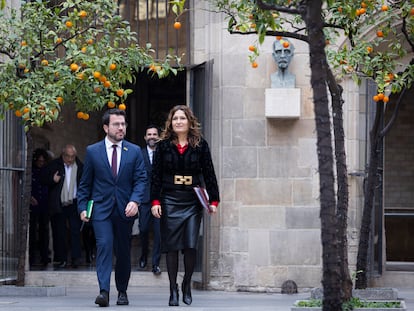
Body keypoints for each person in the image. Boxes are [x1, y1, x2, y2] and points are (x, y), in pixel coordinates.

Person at [151, 105, 220, 306]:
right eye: (175, 119)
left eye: (182, 118)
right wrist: (155, 201)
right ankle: (172, 289)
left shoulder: (200, 145)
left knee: (190, 246)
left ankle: (186, 284)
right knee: (171, 247)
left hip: (192, 200)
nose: (178, 122)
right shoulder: (163, 145)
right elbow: (155, 176)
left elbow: (209, 173)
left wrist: (213, 200)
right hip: (170, 199)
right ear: (171, 123)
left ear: (189, 122)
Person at [77, 108, 147, 307]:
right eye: (116, 124)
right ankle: (104, 292)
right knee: (104, 245)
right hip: (101, 210)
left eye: (123, 124)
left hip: (125, 210)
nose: (121, 128)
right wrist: (82, 207)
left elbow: (141, 179)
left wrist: (135, 201)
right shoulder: (93, 151)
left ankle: (122, 291)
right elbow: (85, 184)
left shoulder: (134, 151)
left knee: (123, 250)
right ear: (106, 127)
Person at [42, 144, 83, 269]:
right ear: (63, 155)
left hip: (75, 202)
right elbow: (43, 180)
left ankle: (75, 259)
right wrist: (52, 180)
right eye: (67, 156)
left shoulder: (80, 167)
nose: (70, 159)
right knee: (60, 232)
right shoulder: (54, 165)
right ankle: (61, 259)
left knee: (75, 231)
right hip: (59, 204)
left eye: (73, 156)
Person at [138, 125, 162, 275]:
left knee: (159, 233)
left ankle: (156, 263)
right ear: (145, 138)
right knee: (144, 229)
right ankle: (143, 255)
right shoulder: (138, 154)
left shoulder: (164, 153)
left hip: (159, 199)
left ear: (158, 137)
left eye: (154, 134)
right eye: (149, 134)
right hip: (144, 199)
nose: (152, 137)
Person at [29, 148, 50, 269]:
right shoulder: (31, 171)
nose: (41, 163)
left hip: (44, 204)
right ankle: (31, 257)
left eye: (43, 161)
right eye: (39, 161)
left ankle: (44, 256)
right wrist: (30, 197)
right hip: (33, 204)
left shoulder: (46, 171)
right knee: (32, 232)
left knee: (44, 231)